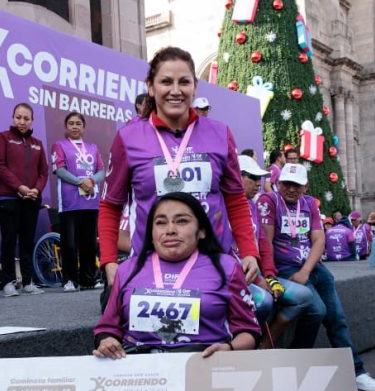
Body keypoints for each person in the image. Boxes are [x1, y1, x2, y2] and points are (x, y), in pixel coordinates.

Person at [99, 46, 260, 291]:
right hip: (150, 271)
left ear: (195, 87)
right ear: (150, 87)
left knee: (264, 304)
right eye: (166, 82)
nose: (175, 91)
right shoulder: (128, 138)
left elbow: (235, 199)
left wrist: (249, 251)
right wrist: (109, 262)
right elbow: (111, 205)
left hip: (213, 267)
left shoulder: (220, 133)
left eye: (184, 82)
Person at [258, 163, 375, 391]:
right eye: (287, 183)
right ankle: (295, 365)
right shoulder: (269, 201)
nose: (291, 189)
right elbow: (265, 242)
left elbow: (319, 240)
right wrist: (270, 275)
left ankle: (357, 371)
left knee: (337, 318)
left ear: (305, 186)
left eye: (297, 185)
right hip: (285, 269)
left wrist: (306, 271)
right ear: (278, 183)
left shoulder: (309, 203)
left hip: (312, 268)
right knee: (317, 310)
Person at [93, 193, 260, 358]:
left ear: (201, 231)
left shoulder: (227, 268)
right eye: (161, 223)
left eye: (182, 221)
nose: (170, 230)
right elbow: (107, 329)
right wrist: (107, 341)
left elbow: (249, 331)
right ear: (151, 233)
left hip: (203, 364)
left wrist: (229, 349)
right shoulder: (127, 269)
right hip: (139, 369)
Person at [237, 155, 313, 349]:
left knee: (304, 297)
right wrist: (259, 281)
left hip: (256, 274)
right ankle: (243, 346)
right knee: (264, 301)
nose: (258, 183)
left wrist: (270, 277)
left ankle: (264, 345)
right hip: (233, 279)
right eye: (253, 177)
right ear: (236, 176)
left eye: (260, 178)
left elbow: (263, 243)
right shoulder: (220, 206)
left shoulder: (252, 205)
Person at [0, 103, 48, 297]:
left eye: (26, 118)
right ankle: (7, 282)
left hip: (31, 199)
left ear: (32, 121)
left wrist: (36, 189)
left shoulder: (37, 143)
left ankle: (28, 281)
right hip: (7, 197)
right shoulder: (3, 138)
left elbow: (44, 171)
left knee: (27, 240)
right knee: (9, 240)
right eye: (18, 117)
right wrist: (20, 187)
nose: (22, 121)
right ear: (13, 118)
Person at [50, 112, 105, 291]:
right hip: (69, 202)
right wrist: (80, 182)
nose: (75, 126)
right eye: (71, 123)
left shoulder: (93, 147)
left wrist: (92, 181)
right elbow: (60, 170)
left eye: (78, 123)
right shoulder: (60, 145)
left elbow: (101, 170)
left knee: (89, 242)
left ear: (83, 127)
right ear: (66, 127)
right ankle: (70, 280)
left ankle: (89, 279)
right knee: (70, 244)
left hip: (90, 201)